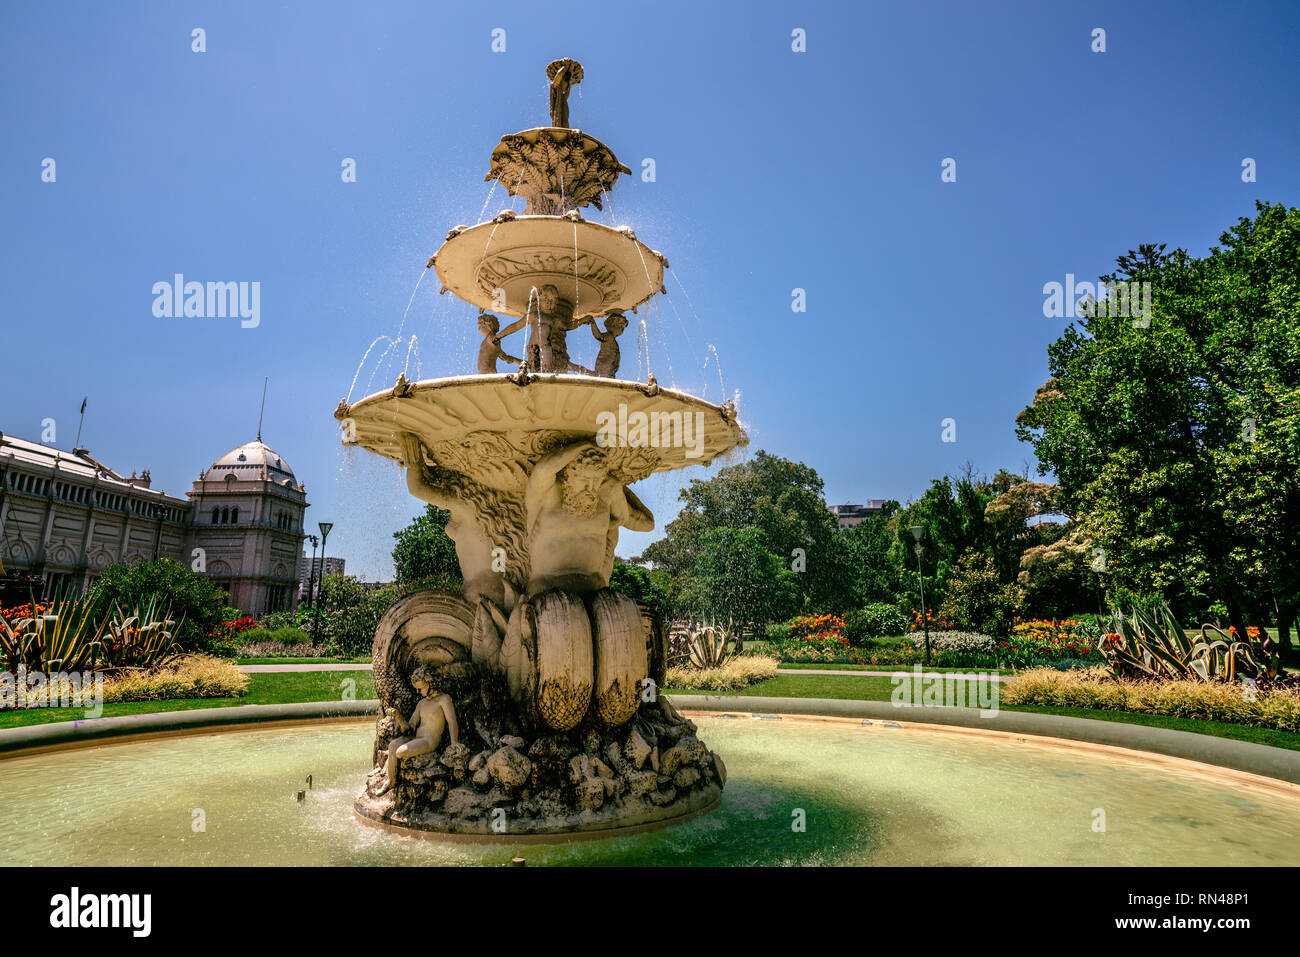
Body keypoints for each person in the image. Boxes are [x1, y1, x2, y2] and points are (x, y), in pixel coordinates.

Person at [375, 666, 458, 796]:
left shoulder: (444, 699)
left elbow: (452, 722)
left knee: (400, 751)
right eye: (417, 689)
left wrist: (454, 742)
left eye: (421, 688)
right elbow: (410, 728)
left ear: (431, 683)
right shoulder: (421, 703)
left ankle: (392, 778)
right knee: (392, 745)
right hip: (417, 738)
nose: (418, 692)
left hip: (429, 741)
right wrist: (398, 717)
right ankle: (391, 781)